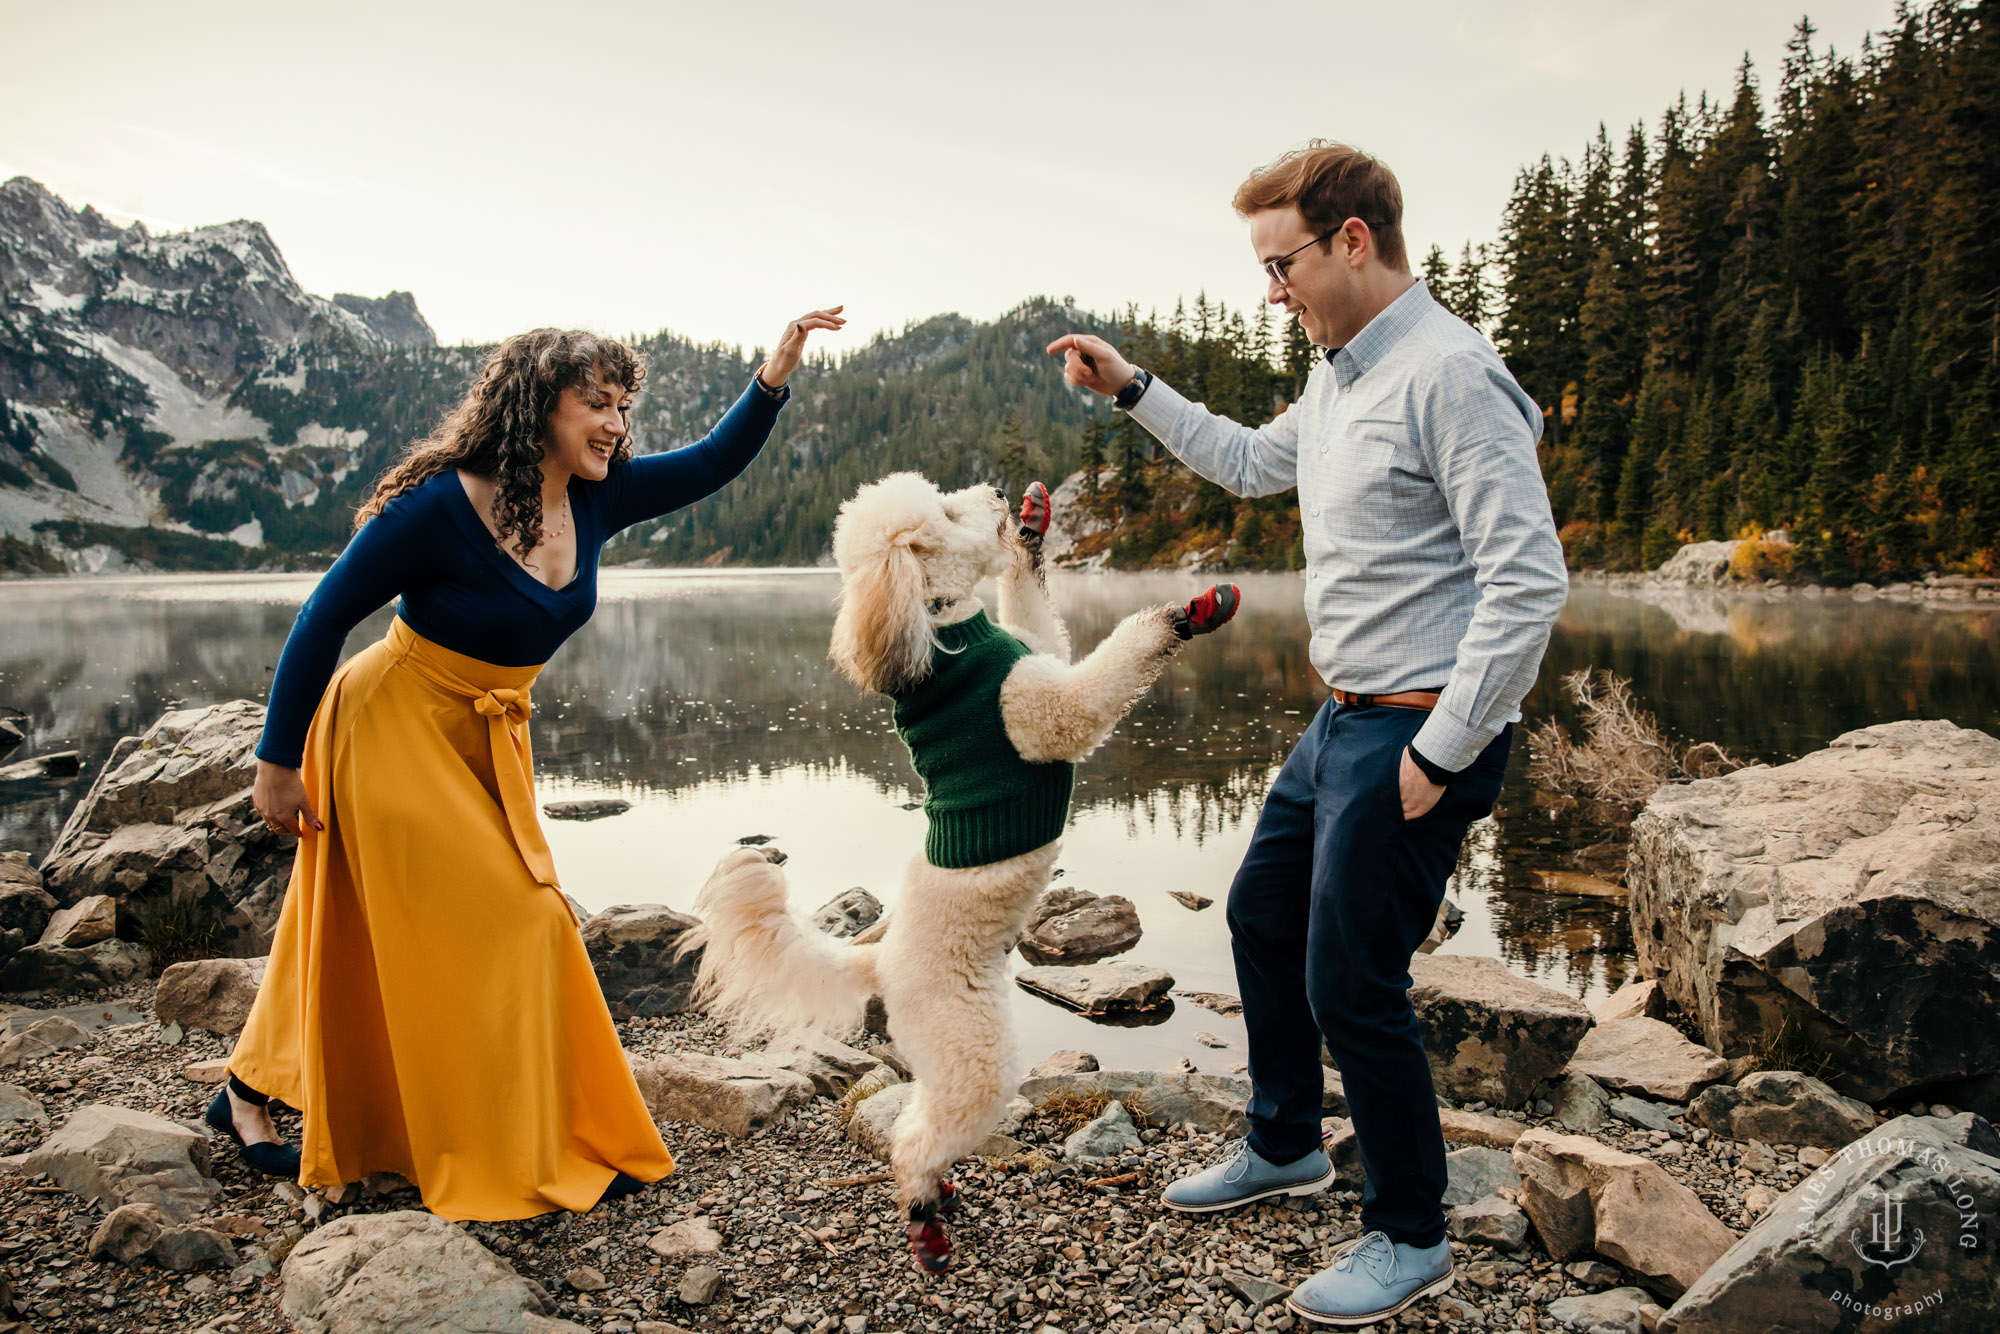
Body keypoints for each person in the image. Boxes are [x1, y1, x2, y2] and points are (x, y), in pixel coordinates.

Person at [1049, 141, 1566, 1326]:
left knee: (1351, 979)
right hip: (1340, 715)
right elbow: (1243, 464)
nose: (1269, 291)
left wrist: (1440, 753)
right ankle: (1284, 1140)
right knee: (1259, 915)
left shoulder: (1448, 373)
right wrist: (1133, 387)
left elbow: (1525, 579)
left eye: (1279, 264)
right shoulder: (1341, 374)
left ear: (1350, 240)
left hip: (1414, 729)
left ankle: (1410, 1230)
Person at [220, 308, 843, 1222]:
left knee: (384, 928)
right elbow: (325, 614)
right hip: (388, 726)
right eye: (596, 404)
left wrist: (774, 375)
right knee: (520, 922)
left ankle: (256, 1087)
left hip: (485, 735)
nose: (616, 426)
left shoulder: (598, 493)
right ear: (535, 406)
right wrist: (278, 760)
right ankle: (483, 1137)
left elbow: (711, 463)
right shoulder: (437, 506)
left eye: (623, 406)